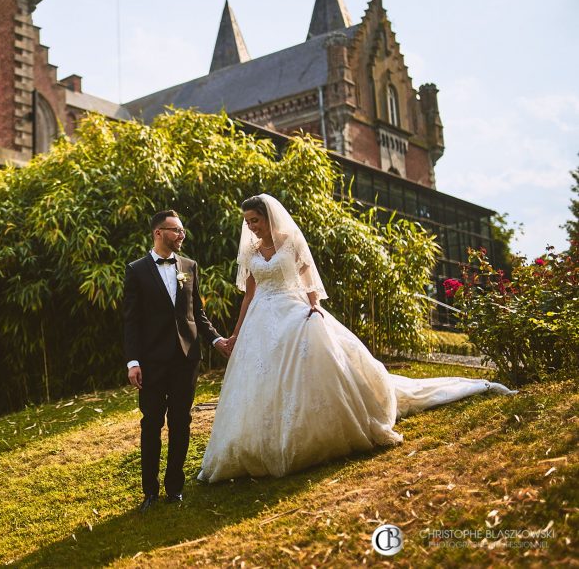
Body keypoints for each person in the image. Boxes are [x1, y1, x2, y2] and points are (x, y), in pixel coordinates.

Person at [198, 194, 514, 482]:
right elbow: (249, 294)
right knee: (258, 382)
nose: (252, 227)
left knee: (308, 364)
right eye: (248, 222)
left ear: (269, 217)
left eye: (256, 220)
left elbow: (309, 281)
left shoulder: (291, 242)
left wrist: (314, 307)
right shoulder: (252, 251)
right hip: (259, 322)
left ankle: (313, 433)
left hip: (292, 311)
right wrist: (236, 334)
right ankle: (254, 443)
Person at [124, 210, 230, 511]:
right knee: (152, 424)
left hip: (186, 360)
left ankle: (175, 488)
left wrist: (216, 339)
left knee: (181, 422)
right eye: (176, 230)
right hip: (152, 362)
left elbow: (198, 314)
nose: (182, 235)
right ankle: (149, 492)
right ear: (159, 232)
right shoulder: (136, 270)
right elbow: (131, 321)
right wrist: (133, 361)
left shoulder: (190, 266)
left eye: (182, 230)